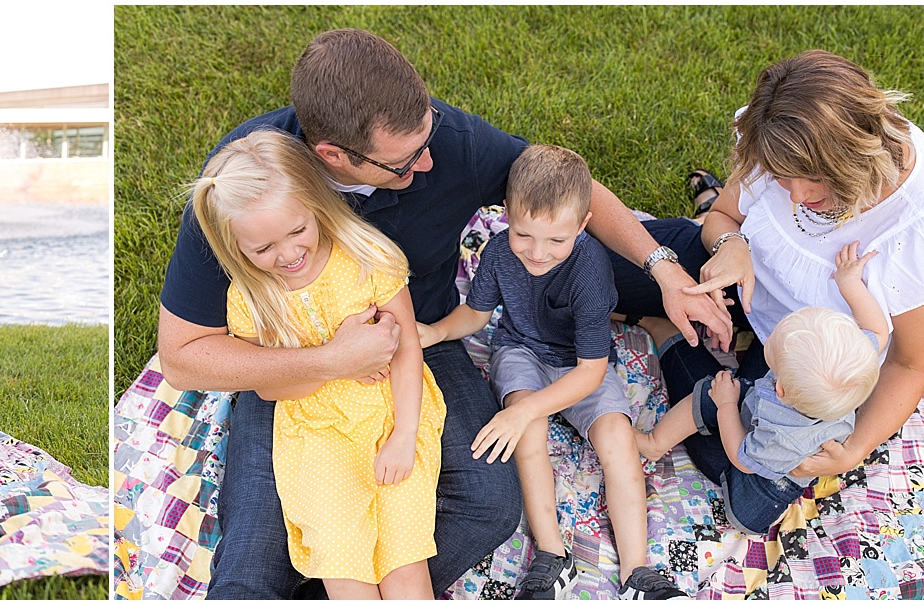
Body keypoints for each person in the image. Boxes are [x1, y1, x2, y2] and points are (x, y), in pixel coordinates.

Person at [154, 29, 733, 598]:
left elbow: (568, 188)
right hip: (297, 378)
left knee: (489, 505)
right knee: (252, 563)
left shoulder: (441, 140)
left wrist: (664, 270)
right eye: (404, 163)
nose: (430, 163)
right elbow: (183, 357)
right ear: (331, 157)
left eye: (428, 137)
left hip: (422, 342)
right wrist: (330, 359)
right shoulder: (250, 186)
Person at [618, 50, 924, 487]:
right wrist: (730, 243)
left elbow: (910, 364)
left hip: (807, 362)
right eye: (783, 179)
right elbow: (726, 217)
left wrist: (854, 449)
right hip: (736, 282)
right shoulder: (782, 137)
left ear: (854, 156)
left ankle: (664, 331)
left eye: (813, 180)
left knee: (738, 472)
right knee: (593, 266)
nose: (797, 196)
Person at [418, 145, 686, 600]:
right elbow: (476, 314)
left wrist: (521, 413)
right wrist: (435, 331)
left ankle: (637, 571)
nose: (537, 254)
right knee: (527, 430)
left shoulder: (590, 268)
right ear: (505, 215)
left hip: (581, 364)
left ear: (583, 226)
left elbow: (589, 372)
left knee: (618, 440)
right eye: (524, 234)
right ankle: (551, 555)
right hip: (520, 349)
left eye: (556, 241)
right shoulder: (501, 250)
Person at [189, 129, 445, 599]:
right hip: (316, 437)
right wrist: (336, 365)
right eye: (263, 249)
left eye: (297, 231)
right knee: (346, 568)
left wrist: (405, 435)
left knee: (406, 566)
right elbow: (269, 387)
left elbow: (407, 347)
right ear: (235, 248)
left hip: (392, 417)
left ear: (317, 205)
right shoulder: (251, 298)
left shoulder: (369, 260)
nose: (287, 255)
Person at [637, 243, 888, 535]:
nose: (771, 333)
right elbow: (879, 331)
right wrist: (849, 283)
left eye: (774, 342)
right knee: (727, 394)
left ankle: (654, 443)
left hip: (747, 487)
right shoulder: (853, 361)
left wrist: (727, 406)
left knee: (711, 394)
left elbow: (743, 458)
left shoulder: (780, 431)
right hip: (777, 455)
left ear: (779, 390)